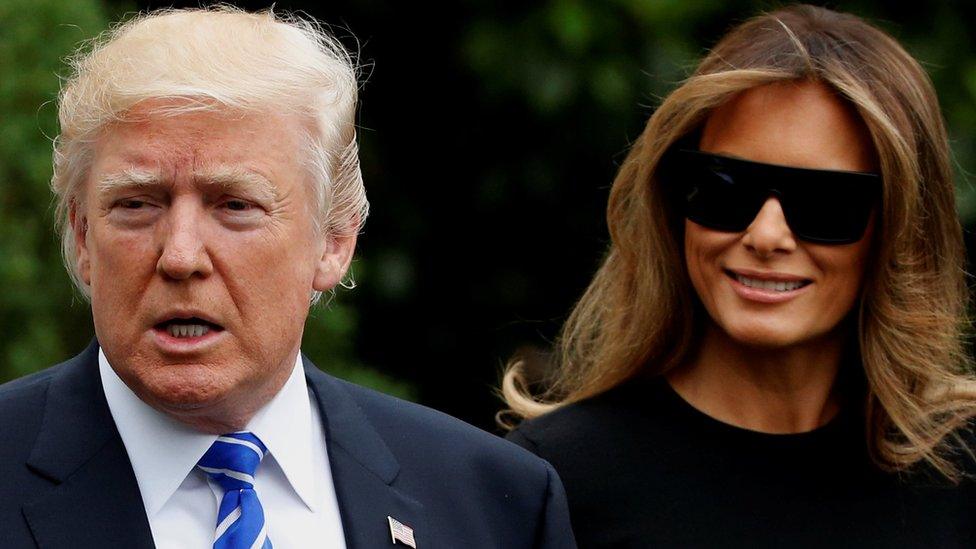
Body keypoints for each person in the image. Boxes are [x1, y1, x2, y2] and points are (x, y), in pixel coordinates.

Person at [0, 7, 575, 548]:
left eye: (235, 205)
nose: (179, 255)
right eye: (136, 204)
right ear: (81, 238)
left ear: (335, 241)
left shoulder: (496, 502)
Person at [502, 4, 976, 547]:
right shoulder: (556, 480)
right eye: (726, 186)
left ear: (901, 230)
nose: (766, 234)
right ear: (673, 203)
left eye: (823, 202)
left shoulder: (959, 474)